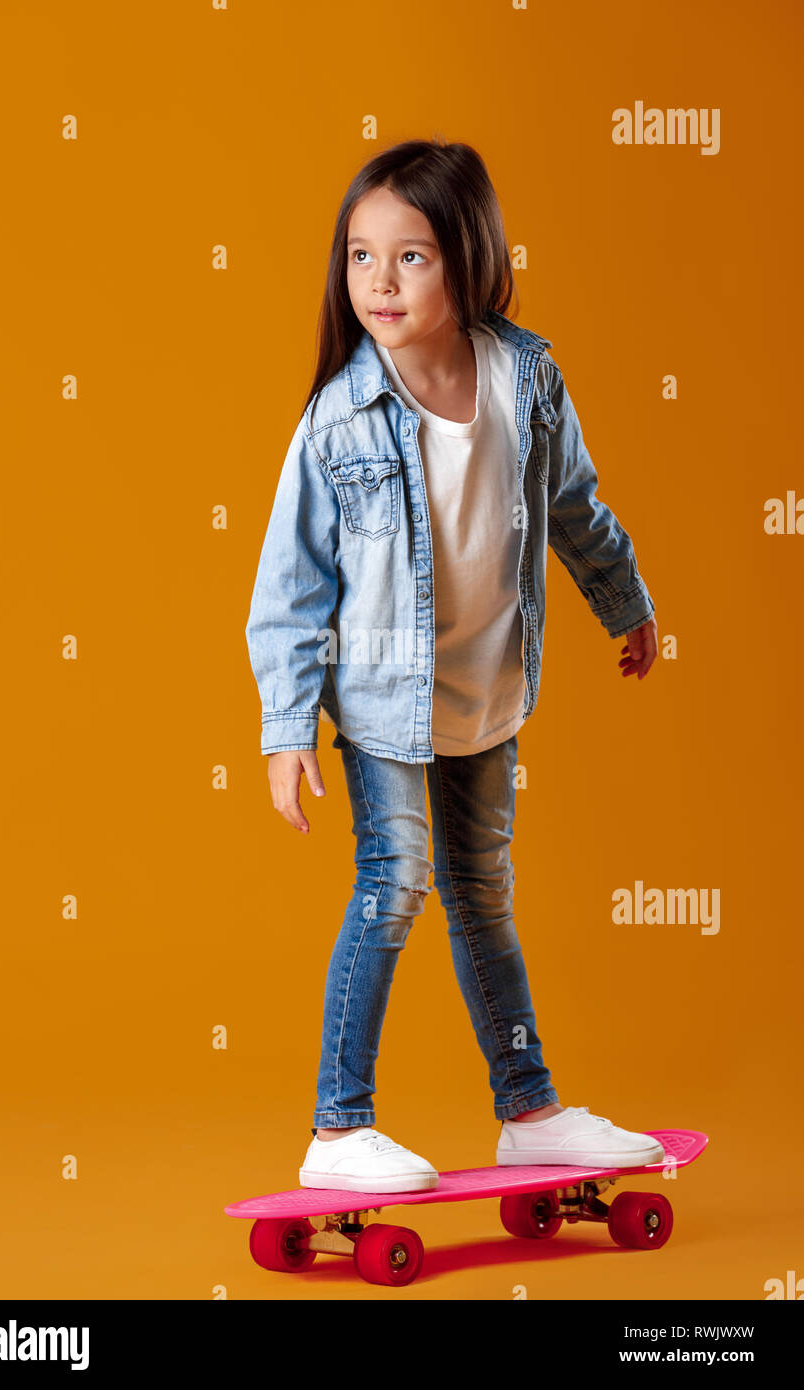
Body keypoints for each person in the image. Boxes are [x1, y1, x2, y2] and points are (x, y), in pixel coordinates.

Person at [245, 138, 664, 1195]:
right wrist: (286, 727)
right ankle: (338, 1127)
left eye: (410, 258)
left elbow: (574, 506)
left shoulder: (524, 377)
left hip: (486, 690)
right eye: (359, 257)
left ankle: (528, 1110)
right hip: (385, 701)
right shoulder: (339, 417)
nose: (377, 284)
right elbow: (287, 588)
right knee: (394, 886)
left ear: (468, 258)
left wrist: (625, 604)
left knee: (484, 891)